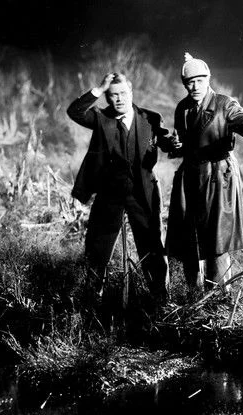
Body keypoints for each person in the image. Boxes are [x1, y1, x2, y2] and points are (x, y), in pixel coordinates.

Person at [161, 53, 243, 292]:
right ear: (184, 84)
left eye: (199, 81)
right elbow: (182, 143)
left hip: (219, 176)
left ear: (208, 79)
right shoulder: (182, 108)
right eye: (190, 82)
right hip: (191, 176)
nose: (195, 86)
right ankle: (193, 293)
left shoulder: (224, 104)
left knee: (217, 238)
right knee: (190, 236)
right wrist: (175, 146)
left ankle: (219, 295)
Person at [68, 73, 169, 313]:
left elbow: (165, 142)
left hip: (142, 192)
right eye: (113, 95)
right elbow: (75, 112)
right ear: (107, 97)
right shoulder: (101, 117)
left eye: (123, 93)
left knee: (152, 245)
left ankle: (160, 300)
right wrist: (99, 88)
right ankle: (92, 302)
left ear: (131, 93)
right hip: (109, 193)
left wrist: (173, 144)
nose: (119, 99)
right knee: (97, 249)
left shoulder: (150, 118)